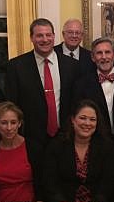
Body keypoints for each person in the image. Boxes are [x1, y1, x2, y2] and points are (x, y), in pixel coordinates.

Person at [5, 18, 79, 146]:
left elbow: (76, 101)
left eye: (48, 35)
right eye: (39, 35)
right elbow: (13, 104)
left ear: (54, 36)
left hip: (65, 137)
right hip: (31, 138)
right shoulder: (17, 66)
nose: (45, 40)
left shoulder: (71, 65)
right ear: (31, 38)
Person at [73, 37, 114, 138]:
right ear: (93, 57)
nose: (104, 57)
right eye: (99, 53)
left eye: (107, 52)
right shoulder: (82, 84)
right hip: (96, 141)